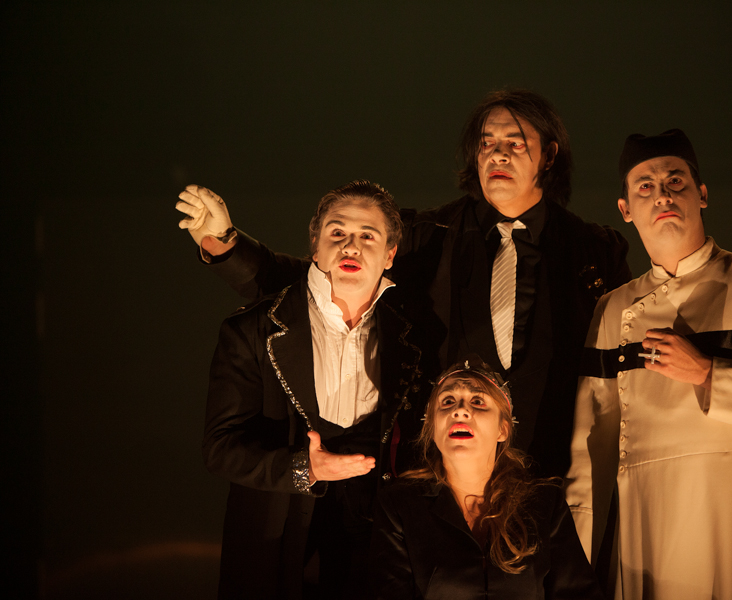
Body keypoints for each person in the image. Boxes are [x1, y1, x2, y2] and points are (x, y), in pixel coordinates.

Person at [176, 89, 631, 479]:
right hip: (438, 477)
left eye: (515, 142)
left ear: (549, 155)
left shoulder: (595, 250)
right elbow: (317, 283)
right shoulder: (428, 236)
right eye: (487, 143)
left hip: (558, 474)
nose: (498, 154)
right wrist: (226, 245)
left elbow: (626, 359)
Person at [565, 129, 732, 599]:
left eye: (676, 181)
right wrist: (577, 566)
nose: (662, 195)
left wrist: (709, 373)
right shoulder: (612, 309)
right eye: (645, 187)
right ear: (625, 209)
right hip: (646, 525)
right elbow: (589, 448)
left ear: (702, 194)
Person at [202, 181, 430, 599]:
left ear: (390, 254)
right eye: (337, 232)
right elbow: (220, 449)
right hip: (277, 539)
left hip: (376, 546)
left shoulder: (412, 336)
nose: (351, 246)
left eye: (368, 236)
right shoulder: (253, 330)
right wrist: (303, 469)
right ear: (316, 246)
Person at [371, 358, 602, 599]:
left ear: (503, 429)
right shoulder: (399, 506)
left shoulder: (544, 504)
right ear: (432, 427)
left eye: (477, 401)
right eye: (447, 401)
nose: (460, 410)